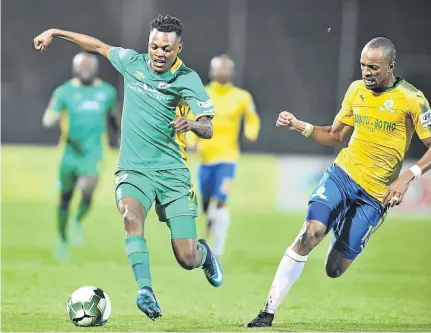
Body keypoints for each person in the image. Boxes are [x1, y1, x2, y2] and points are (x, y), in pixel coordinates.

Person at [34, 14, 223, 321]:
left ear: (179, 49)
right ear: (148, 45)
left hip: (172, 174)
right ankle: (145, 290)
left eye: (166, 49)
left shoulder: (186, 78)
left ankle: (204, 255)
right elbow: (96, 46)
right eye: (154, 46)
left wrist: (191, 123)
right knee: (130, 217)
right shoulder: (131, 63)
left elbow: (208, 128)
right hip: (134, 171)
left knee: (187, 258)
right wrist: (55, 31)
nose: (159, 54)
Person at [245, 37, 431, 328]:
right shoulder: (356, 90)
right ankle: (266, 312)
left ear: (391, 66)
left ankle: (345, 230)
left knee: (334, 269)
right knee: (310, 233)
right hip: (342, 175)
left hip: (375, 195)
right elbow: (335, 135)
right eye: (362, 66)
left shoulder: (412, 99)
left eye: (373, 67)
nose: (366, 72)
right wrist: (299, 125)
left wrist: (407, 177)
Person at [42, 52, 118, 260]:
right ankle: (62, 239)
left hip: (93, 152)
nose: (85, 70)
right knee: (65, 198)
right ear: (75, 69)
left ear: (95, 69)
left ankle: (78, 219)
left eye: (89, 66)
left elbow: (113, 119)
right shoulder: (64, 92)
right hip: (69, 152)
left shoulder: (107, 92)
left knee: (87, 188)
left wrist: (122, 134)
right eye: (81, 66)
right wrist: (51, 119)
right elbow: (50, 114)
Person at [186, 54, 260, 257]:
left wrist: (251, 133)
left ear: (232, 73)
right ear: (212, 72)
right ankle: (210, 226)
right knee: (206, 206)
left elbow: (252, 118)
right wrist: (192, 143)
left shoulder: (242, 97)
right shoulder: (203, 94)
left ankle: (217, 250)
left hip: (228, 159)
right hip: (205, 159)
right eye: (220, 69)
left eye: (227, 69)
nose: (223, 72)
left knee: (220, 201)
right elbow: (193, 120)